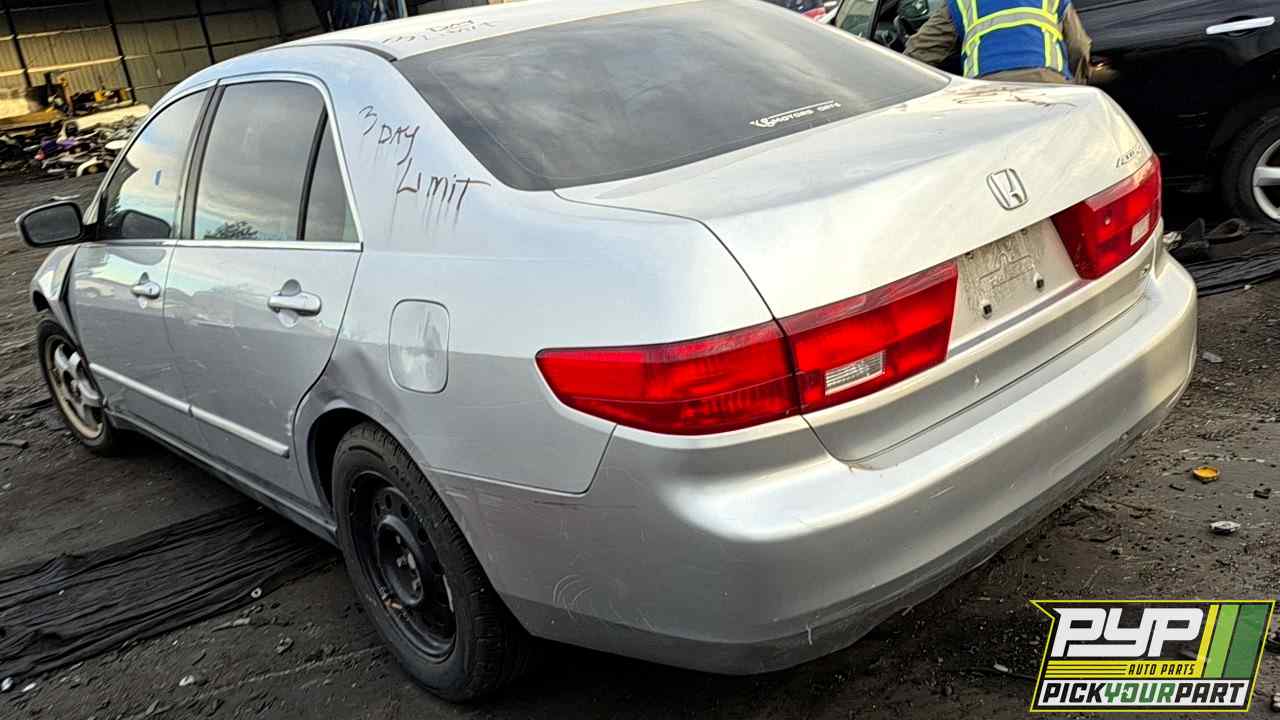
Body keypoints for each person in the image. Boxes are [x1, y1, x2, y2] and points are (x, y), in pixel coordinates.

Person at [904, 0, 1092, 84]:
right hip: (1049, 82)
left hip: (988, 89)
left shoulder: (960, 2)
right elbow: (1079, 45)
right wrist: (1077, 84)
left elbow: (920, 51)